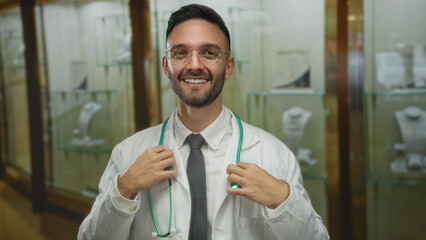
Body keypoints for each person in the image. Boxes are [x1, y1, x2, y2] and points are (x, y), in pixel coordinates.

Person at [78, 4, 329, 240]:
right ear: (166, 67)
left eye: (209, 53)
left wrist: (281, 199)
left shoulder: (272, 154)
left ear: (228, 67)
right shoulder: (128, 153)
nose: (195, 65)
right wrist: (124, 189)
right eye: (181, 53)